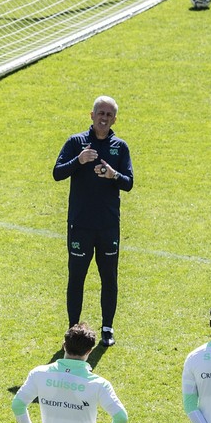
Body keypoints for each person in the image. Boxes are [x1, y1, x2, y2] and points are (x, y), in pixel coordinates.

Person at [53, 96, 134, 347]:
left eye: (109, 115)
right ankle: (73, 329)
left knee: (109, 277)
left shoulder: (120, 147)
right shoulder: (76, 142)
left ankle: (107, 328)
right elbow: (57, 173)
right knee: (76, 277)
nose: (104, 118)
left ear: (114, 119)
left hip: (108, 226)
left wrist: (113, 175)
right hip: (80, 225)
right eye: (100, 113)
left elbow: (128, 183)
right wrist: (79, 160)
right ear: (92, 115)